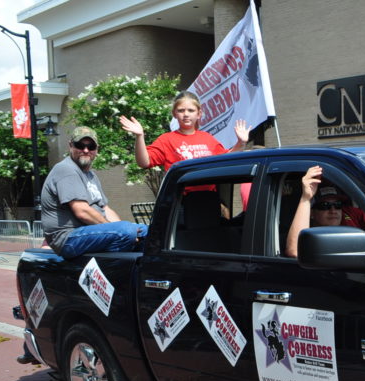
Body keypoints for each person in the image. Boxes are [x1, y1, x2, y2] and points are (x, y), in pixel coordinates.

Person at [40, 126, 148, 260]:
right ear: (70, 146)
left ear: (97, 149)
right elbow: (82, 211)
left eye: (91, 146)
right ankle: (111, 272)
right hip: (68, 238)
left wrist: (120, 227)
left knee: (146, 231)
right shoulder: (66, 170)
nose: (86, 150)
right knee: (127, 231)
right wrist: (118, 229)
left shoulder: (90, 175)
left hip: (88, 233)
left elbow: (105, 208)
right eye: (80, 145)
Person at [119, 90, 252, 172]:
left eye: (191, 110)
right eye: (181, 110)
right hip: (181, 198)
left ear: (199, 114)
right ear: (174, 114)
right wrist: (139, 136)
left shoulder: (207, 138)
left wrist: (240, 143)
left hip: (208, 197)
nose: (186, 114)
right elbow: (144, 162)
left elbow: (225, 160)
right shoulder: (166, 139)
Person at [284, 165, 365, 258]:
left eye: (338, 205)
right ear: (311, 213)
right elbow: (295, 251)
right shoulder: (307, 231)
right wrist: (306, 198)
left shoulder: (351, 213)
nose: (333, 210)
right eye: (325, 206)